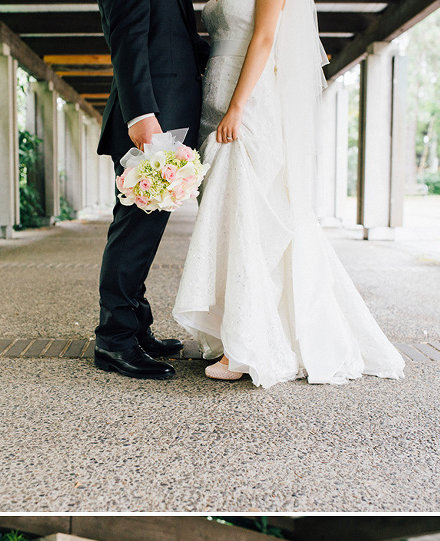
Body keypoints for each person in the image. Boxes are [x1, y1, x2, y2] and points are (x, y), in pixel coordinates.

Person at [172, 0, 406, 387]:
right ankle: (235, 328)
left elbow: (264, 38)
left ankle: (246, 346)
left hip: (247, 99)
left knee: (252, 213)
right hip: (216, 92)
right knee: (227, 214)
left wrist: (237, 107)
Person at [93, 0, 211, 380]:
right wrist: (142, 117)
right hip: (152, 121)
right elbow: (127, 35)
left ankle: (137, 327)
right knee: (133, 232)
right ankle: (115, 339)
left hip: (168, 116)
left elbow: (176, 40)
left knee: (143, 233)